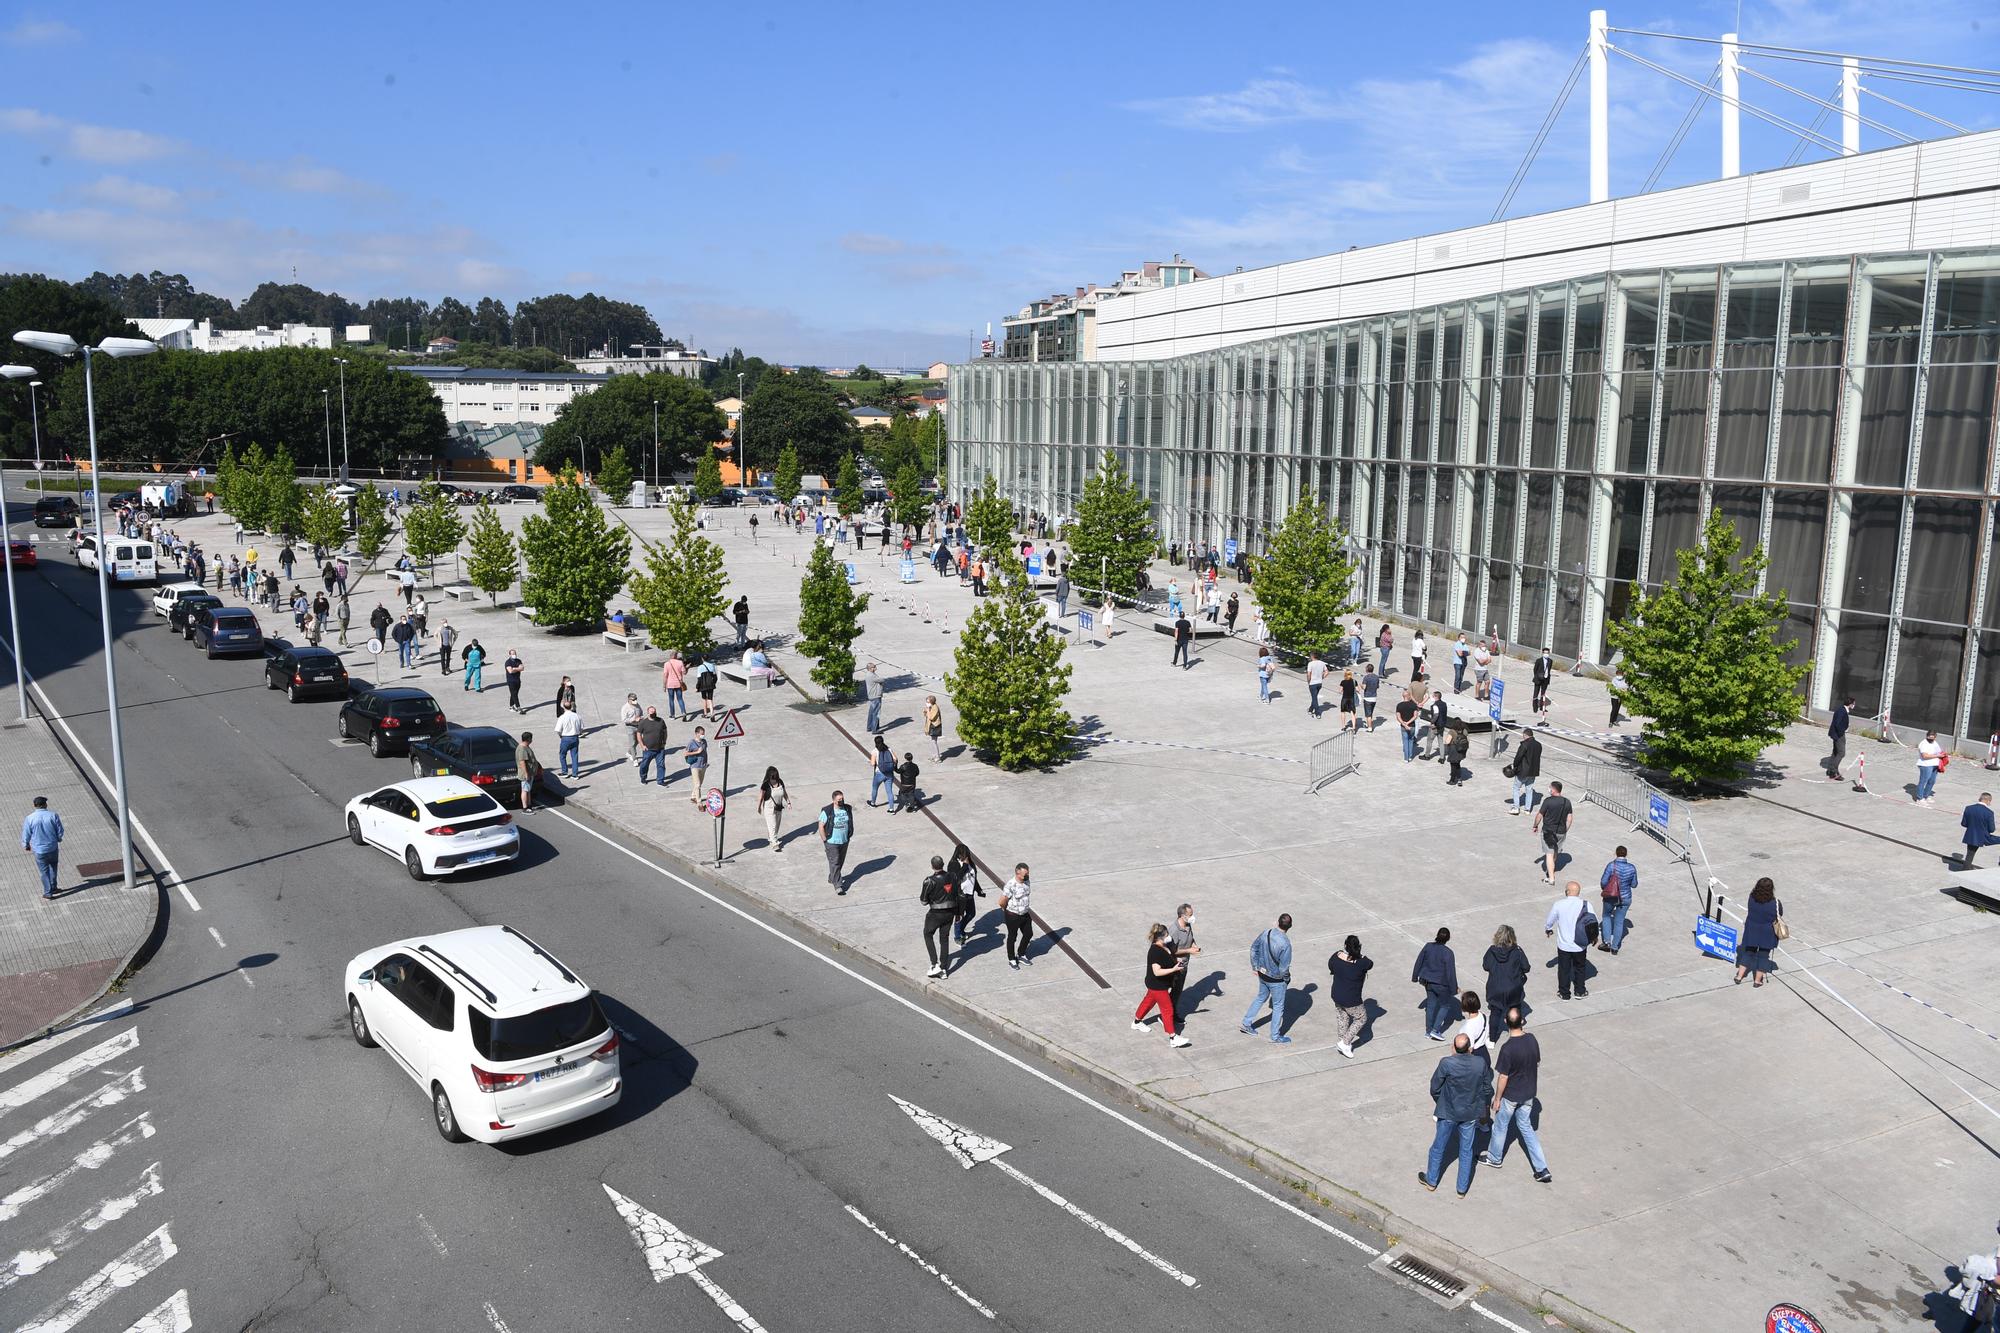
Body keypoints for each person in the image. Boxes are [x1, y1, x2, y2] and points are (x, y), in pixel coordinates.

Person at [1418, 1034, 1492, 1198]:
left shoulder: (1447, 1063)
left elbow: (1434, 1087)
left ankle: (1431, 1181)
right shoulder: (1480, 1063)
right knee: (1466, 1151)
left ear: (1454, 1047)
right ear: (1470, 1048)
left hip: (1448, 1112)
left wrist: (1441, 1101)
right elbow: (1487, 1089)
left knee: (1438, 1147)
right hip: (1470, 1113)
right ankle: (1461, 1189)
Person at [1483, 1008, 1552, 1182]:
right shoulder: (1531, 1039)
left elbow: (1503, 1077)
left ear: (1506, 1023)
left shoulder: (1507, 1049)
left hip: (1511, 1096)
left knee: (1500, 1126)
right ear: (1522, 1021)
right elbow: (1536, 1062)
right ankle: (1541, 1168)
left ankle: (1494, 1158)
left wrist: (1497, 1099)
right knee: (1526, 1128)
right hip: (1529, 1093)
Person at [1134, 923, 1193, 1047]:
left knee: (1148, 1002)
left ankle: (1136, 1021)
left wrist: (1176, 963)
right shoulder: (1155, 951)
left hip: (1157, 984)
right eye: (1166, 935)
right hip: (1158, 985)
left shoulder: (1164, 946)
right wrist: (1173, 970)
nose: (1169, 936)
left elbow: (1169, 958)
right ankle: (1173, 1037)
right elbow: (1157, 971)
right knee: (1167, 1010)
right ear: (1160, 937)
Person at [1240, 913, 1294, 1043]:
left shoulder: (1267, 933)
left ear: (1277, 922)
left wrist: (1255, 966)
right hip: (1277, 979)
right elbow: (1283, 968)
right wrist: (1286, 979)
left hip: (1262, 974)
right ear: (1290, 927)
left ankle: (1246, 1023)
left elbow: (1254, 948)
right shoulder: (1286, 944)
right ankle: (1275, 1036)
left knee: (1260, 997)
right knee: (1278, 1006)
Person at [1482, 926, 1530, 1042]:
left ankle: (1492, 1039)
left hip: (1496, 988)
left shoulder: (1492, 950)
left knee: (1495, 1013)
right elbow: (1526, 967)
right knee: (1515, 1011)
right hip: (1513, 988)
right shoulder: (1517, 951)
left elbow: (1486, 966)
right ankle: (1517, 1034)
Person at [1328, 935, 1372, 1058]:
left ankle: (1342, 1044)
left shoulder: (1336, 956)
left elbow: (1330, 966)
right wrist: (1360, 956)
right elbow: (1370, 964)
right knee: (1361, 1018)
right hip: (1352, 998)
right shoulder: (1362, 962)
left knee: (1343, 1017)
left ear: (1345, 946)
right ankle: (1345, 1042)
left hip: (1336, 994)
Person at [1546, 881, 1592, 999]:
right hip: (1580, 944)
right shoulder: (1586, 904)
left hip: (1564, 945)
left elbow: (1550, 920)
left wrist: (1548, 929)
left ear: (1567, 891)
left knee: (1564, 969)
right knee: (1580, 967)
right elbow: (1593, 921)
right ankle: (1580, 991)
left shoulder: (1559, 904)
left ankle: (1564, 993)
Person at [920, 854, 963, 979]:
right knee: (944, 939)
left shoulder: (929, 881)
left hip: (935, 914)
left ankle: (934, 964)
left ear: (932, 866)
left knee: (928, 934)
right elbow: (957, 892)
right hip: (950, 912)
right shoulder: (953, 876)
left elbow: (923, 901)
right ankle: (944, 968)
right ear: (943, 865)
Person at [1734, 877, 1783, 987]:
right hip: (1767, 933)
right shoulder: (1775, 903)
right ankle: (1757, 981)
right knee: (1763, 956)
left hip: (1752, 930)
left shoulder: (1751, 898)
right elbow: (1779, 914)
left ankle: (1739, 976)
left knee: (1748, 952)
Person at [1412, 927, 1459, 1040]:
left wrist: (1415, 976)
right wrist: (1454, 989)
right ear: (1448, 938)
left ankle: (1428, 1032)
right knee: (1445, 1006)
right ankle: (1435, 1030)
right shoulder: (1448, 953)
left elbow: (1419, 961)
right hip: (1441, 984)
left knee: (1431, 1006)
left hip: (1427, 982)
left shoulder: (1428, 946)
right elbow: (1450, 973)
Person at [22, 794, 64, 901]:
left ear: (35, 805)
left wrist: (26, 844)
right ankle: (54, 887)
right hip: (52, 847)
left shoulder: (29, 818)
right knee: (53, 867)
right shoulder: (53, 815)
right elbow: (60, 830)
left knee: (44, 871)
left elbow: (26, 833)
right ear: (45, 804)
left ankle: (48, 892)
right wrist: (58, 839)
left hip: (39, 850)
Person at [1532, 780, 1574, 883]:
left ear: (1553, 790)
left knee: (1549, 854)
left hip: (1548, 832)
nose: (1549, 789)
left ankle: (1551, 878)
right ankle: (1551, 870)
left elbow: (1539, 815)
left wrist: (1535, 825)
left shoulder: (1548, 801)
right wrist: (1565, 830)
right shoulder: (1567, 801)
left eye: (1550, 787)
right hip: (1561, 832)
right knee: (1555, 851)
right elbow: (1569, 818)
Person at [1599, 846, 1638, 952]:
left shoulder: (1611, 866)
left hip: (1611, 897)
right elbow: (1634, 885)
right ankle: (1615, 947)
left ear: (1615, 853)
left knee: (1606, 916)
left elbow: (1603, 882)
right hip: (1625, 898)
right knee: (1619, 922)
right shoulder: (1632, 867)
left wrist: (1606, 889)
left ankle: (1607, 942)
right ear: (1626, 854)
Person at [1164, 902, 1198, 1020]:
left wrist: (1194, 946)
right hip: (1175, 966)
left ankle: (1172, 1013)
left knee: (1177, 991)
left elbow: (1191, 937)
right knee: (1170, 992)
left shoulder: (1187, 925)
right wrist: (1190, 950)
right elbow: (1172, 951)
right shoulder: (1174, 930)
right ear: (1182, 916)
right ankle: (1166, 1015)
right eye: (1190, 914)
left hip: (1184, 964)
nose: (1192, 917)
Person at [819, 791, 855, 892]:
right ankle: (838, 886)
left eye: (842, 799)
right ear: (834, 800)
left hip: (844, 840)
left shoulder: (847, 808)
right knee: (834, 862)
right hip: (832, 842)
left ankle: (832, 877)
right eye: (839, 800)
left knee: (840, 862)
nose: (841, 801)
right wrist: (824, 840)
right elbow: (821, 825)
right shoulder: (827, 811)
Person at [946, 843, 981, 944]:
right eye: (962, 855)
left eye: (966, 855)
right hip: (959, 895)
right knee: (959, 915)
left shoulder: (970, 862)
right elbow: (956, 878)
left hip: (969, 893)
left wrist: (978, 889)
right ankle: (957, 936)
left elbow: (973, 876)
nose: (965, 857)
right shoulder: (953, 864)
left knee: (971, 913)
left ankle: (961, 928)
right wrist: (965, 866)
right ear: (958, 854)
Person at [1001, 864, 1034, 969]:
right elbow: (1001, 901)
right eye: (1025, 874)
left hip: (1024, 913)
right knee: (1012, 936)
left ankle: (1021, 954)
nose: (1027, 875)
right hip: (1013, 915)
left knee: (1028, 933)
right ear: (1017, 873)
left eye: (1028, 872)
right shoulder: (1010, 885)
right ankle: (1011, 959)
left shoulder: (1027, 881)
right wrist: (1007, 910)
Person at [1509, 728, 1542, 816]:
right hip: (1533, 771)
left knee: (1516, 788)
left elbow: (1518, 757)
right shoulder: (1539, 745)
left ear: (1525, 735)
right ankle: (1527, 809)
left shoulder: (1524, 745)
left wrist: (1514, 766)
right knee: (1529, 790)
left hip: (1523, 771)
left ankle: (1516, 807)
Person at [757, 766, 788, 852]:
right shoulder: (765, 784)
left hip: (778, 807)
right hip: (769, 808)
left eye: (775, 775)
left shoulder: (780, 782)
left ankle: (771, 838)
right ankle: (775, 843)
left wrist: (788, 802)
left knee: (776, 826)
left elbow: (784, 793)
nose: (774, 777)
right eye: (772, 775)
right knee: (773, 825)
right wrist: (759, 806)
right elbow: (761, 796)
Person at [635, 707, 669, 787]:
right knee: (644, 765)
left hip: (660, 749)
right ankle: (643, 778)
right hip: (648, 749)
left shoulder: (661, 721)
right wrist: (642, 745)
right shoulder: (643, 723)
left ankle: (660, 780)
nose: (653, 713)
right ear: (648, 713)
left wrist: (664, 742)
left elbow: (665, 731)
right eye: (651, 712)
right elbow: (638, 734)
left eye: (654, 712)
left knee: (661, 765)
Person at [1964, 793, 1999, 868]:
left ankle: (1967, 867)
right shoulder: (1989, 813)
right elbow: (1991, 829)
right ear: (1988, 800)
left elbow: (1964, 823)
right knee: (1970, 853)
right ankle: (1965, 868)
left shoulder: (1968, 808)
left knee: (1970, 853)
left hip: (1970, 835)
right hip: (1983, 837)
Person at [554, 702, 584, 779]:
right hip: (575, 738)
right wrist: (578, 733)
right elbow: (581, 728)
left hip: (565, 738)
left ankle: (565, 772)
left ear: (563, 707)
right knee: (574, 756)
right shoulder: (577, 716)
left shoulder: (562, 717)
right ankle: (575, 774)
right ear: (571, 707)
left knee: (562, 755)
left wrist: (561, 736)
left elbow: (558, 730)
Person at [515, 731, 543, 812]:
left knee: (528, 789)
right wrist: (526, 773)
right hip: (526, 774)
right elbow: (522, 762)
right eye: (531, 738)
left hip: (530, 773)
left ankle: (529, 804)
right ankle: (525, 807)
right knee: (525, 790)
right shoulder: (522, 749)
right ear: (528, 739)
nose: (532, 740)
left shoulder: (526, 746)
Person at [1827, 694, 1854, 780]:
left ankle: (1831, 770)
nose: (1854, 705)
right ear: (1850, 704)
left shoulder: (1842, 710)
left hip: (1837, 734)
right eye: (1853, 704)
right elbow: (1838, 724)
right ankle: (1833, 771)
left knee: (1835, 752)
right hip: (1838, 735)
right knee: (1841, 753)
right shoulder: (1842, 711)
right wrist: (1843, 730)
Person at [1918, 730, 1945, 806]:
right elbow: (1925, 756)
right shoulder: (1923, 744)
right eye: (1929, 737)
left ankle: (1926, 796)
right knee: (1923, 781)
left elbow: (1939, 751)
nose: (1931, 739)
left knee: (1931, 781)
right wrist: (1937, 756)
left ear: (1935, 737)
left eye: (1932, 738)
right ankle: (1919, 798)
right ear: (1927, 736)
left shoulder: (1935, 743)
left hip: (1934, 765)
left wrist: (1943, 755)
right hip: (1925, 765)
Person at [684, 727, 709, 807]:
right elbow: (686, 753)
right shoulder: (692, 743)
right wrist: (697, 752)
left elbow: (705, 752)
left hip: (703, 765)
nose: (703, 735)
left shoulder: (704, 742)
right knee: (698, 785)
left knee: (699, 783)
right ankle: (699, 803)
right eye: (701, 733)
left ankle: (693, 796)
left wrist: (706, 762)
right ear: (697, 733)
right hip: (695, 766)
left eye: (703, 733)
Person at [662, 650, 689, 720]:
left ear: (670, 656)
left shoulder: (666, 664)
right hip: (678, 684)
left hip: (670, 684)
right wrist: (687, 667)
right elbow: (684, 673)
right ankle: (683, 712)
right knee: (680, 699)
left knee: (671, 700)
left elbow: (665, 676)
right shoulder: (680, 662)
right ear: (676, 656)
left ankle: (672, 715)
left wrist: (664, 686)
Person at [1396, 689, 1419, 762]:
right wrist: (1408, 723)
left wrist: (1404, 724)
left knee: (1405, 741)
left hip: (1403, 726)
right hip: (1412, 725)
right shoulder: (1413, 705)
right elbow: (1415, 716)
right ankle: (1410, 756)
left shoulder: (1399, 705)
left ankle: (1406, 758)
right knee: (1411, 740)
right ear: (1408, 696)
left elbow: (1398, 717)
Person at [619, 693, 643, 762]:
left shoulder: (637, 705)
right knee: (632, 743)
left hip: (638, 726)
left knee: (638, 741)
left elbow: (641, 713)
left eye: (636, 699)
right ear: (629, 700)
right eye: (633, 699)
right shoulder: (625, 708)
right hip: (630, 726)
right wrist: (633, 720)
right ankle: (634, 758)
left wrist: (641, 718)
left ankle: (629, 753)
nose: (635, 700)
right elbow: (624, 720)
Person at [1531, 646, 1554, 715]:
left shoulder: (1550, 661)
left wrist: (1546, 676)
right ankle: (1535, 707)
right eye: (1545, 653)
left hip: (1546, 679)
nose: (1546, 654)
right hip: (1538, 679)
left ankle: (1541, 706)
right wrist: (1537, 676)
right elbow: (1535, 670)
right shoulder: (1539, 660)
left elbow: (1549, 669)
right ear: (1542, 653)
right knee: (1536, 693)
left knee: (1543, 694)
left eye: (1547, 653)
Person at [922, 695, 945, 761]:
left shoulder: (935, 707)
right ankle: (934, 756)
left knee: (934, 742)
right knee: (932, 741)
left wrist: (928, 710)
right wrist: (925, 711)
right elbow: (926, 715)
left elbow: (931, 717)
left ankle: (938, 758)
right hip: (931, 726)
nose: (927, 703)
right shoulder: (930, 707)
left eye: (928, 702)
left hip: (935, 726)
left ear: (932, 702)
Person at [863, 662, 884, 734]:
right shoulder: (872, 676)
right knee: (876, 713)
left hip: (872, 696)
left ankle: (869, 727)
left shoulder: (869, 674)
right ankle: (875, 729)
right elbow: (881, 680)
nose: (875, 667)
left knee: (871, 712)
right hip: (876, 696)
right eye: (874, 666)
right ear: (870, 668)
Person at [1307, 653, 1328, 719]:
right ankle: (1310, 709)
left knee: (1314, 698)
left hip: (1313, 683)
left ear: (1312, 656)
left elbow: (1309, 674)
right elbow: (1327, 672)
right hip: (1319, 683)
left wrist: (1308, 681)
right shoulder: (1322, 663)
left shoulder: (1310, 664)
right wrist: (1322, 678)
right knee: (1314, 697)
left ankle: (1317, 713)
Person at [1361, 664, 1381, 731]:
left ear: (1367, 669)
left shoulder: (1366, 677)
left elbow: (1364, 687)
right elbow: (1378, 686)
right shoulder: (1376, 677)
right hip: (1374, 697)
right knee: (1370, 712)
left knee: (1368, 714)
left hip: (1367, 697)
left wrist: (1361, 685)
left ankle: (1369, 727)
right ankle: (1368, 723)